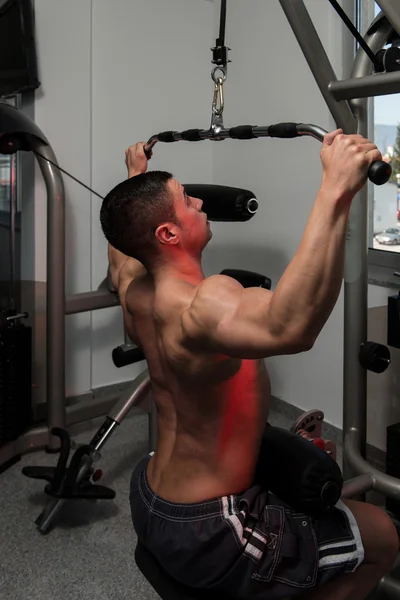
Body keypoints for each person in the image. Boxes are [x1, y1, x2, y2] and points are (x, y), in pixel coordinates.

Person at [100, 131, 398, 600]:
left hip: (152, 496)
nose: (199, 201)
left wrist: (137, 179)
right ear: (168, 234)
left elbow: (123, 252)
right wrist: (335, 188)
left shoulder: (136, 290)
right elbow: (291, 328)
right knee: (382, 534)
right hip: (212, 529)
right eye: (185, 199)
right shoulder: (204, 301)